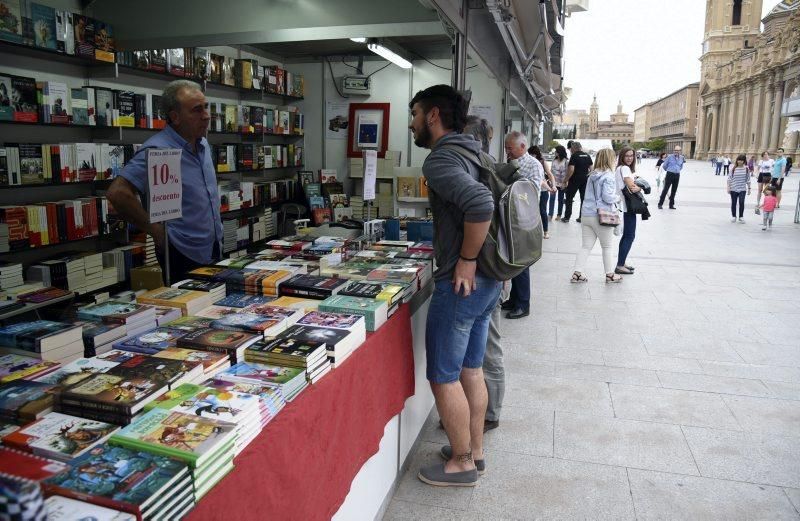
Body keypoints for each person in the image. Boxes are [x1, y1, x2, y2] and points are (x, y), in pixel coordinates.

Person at [408, 84, 500, 487]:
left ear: (432, 116)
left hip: (463, 285)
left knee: (443, 375)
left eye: (413, 115)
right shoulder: (474, 150)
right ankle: (473, 452)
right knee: (471, 370)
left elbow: (481, 204)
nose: (411, 125)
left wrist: (464, 260)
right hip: (491, 281)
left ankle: (461, 463)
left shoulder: (440, 161)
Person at [107, 80, 223, 283]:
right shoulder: (157, 150)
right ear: (175, 117)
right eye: (196, 110)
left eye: (206, 107)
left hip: (212, 246)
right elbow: (118, 192)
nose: (206, 115)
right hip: (181, 251)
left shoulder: (203, 143)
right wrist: (155, 231)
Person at [462, 115, 505, 433]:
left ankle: (489, 412)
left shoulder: (481, 169)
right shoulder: (490, 165)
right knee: (484, 343)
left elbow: (481, 212)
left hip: (488, 268)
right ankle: (482, 411)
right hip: (496, 265)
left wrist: (466, 258)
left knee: (487, 344)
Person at [502, 131, 542, 319]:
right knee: (514, 259)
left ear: (523, 146)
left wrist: (513, 182)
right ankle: (514, 298)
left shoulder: (533, 164)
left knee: (521, 262)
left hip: (525, 219)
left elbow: (532, 191)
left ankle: (523, 304)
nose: (507, 152)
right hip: (512, 218)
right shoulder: (511, 161)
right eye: (506, 148)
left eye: (510, 148)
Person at [570, 148, 622, 283]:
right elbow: (607, 197)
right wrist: (618, 197)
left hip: (586, 214)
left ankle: (577, 273)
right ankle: (610, 274)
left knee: (586, 246)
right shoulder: (608, 176)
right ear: (610, 159)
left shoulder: (592, 175)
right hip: (601, 215)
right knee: (607, 246)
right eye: (614, 158)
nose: (615, 161)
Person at [614, 147, 642, 275]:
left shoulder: (619, 168)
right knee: (629, 236)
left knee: (626, 236)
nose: (630, 158)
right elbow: (632, 187)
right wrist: (640, 186)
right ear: (622, 157)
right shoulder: (624, 168)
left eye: (632, 155)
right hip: (627, 207)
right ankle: (620, 265)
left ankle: (622, 262)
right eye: (627, 156)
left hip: (623, 205)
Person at [528, 145, 556, 239]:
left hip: (543, 190)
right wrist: (550, 188)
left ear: (536, 154)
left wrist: (553, 185)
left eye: (533, 154)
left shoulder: (542, 162)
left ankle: (546, 231)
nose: (531, 156)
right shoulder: (527, 162)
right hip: (531, 190)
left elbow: (549, 174)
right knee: (531, 211)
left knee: (542, 211)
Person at [562, 141, 593, 223]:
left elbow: (571, 169)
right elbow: (592, 169)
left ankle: (567, 217)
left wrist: (566, 180)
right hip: (585, 180)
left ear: (574, 148)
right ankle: (581, 217)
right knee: (583, 199)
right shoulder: (587, 155)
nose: (570, 150)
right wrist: (586, 176)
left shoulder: (574, 156)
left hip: (574, 180)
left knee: (569, 198)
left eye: (571, 149)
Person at [657, 145, 685, 209]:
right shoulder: (669, 157)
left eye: (677, 150)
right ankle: (660, 204)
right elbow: (664, 166)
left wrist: (677, 170)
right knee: (665, 189)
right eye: (675, 150)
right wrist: (670, 170)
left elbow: (681, 166)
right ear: (674, 150)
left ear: (680, 151)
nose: (676, 151)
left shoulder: (681, 157)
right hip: (670, 174)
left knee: (674, 190)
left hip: (677, 175)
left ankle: (671, 205)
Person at [727, 154, 751, 223]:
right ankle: (734, 216)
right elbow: (729, 179)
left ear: (744, 161)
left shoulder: (746, 169)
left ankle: (741, 217)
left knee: (741, 202)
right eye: (738, 160)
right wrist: (728, 188)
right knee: (734, 203)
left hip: (742, 189)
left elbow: (748, 179)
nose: (739, 161)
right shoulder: (733, 168)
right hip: (733, 188)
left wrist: (749, 188)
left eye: (741, 160)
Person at [549, 145, 569, 221]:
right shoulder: (554, 160)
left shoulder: (566, 161)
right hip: (554, 183)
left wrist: (566, 182)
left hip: (562, 183)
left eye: (556, 151)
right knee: (552, 198)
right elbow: (551, 171)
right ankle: (550, 214)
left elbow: (568, 173)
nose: (555, 153)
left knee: (560, 199)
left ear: (559, 152)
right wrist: (550, 181)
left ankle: (559, 215)